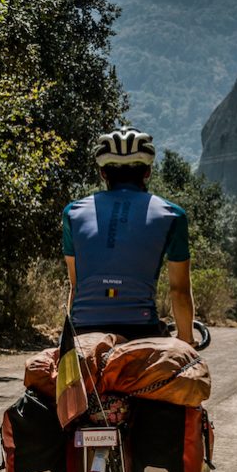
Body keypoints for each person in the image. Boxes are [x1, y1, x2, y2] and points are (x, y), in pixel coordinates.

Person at [62, 126, 195, 344]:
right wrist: (186, 338)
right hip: (141, 329)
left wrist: (71, 336)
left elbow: (75, 286)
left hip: (84, 330)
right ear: (147, 172)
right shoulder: (172, 215)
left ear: (103, 173)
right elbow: (179, 291)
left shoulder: (72, 213)